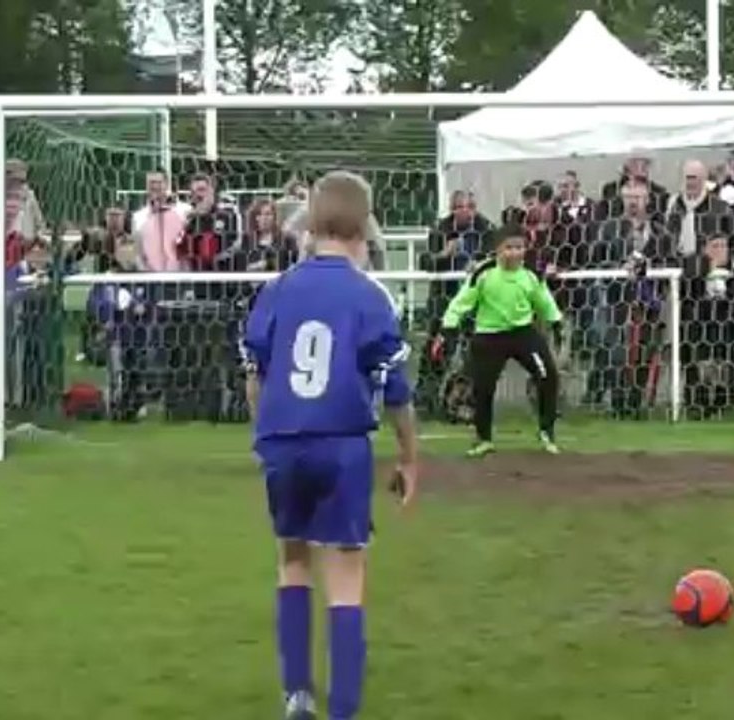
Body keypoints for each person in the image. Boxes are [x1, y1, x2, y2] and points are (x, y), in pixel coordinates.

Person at [241, 171, 419, 720]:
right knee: (346, 576)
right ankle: (342, 709)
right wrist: (409, 457)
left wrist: (263, 435)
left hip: (283, 441)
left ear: (311, 223)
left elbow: (254, 374)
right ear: (364, 227)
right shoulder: (369, 295)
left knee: (292, 561)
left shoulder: (277, 289)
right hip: (342, 443)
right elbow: (395, 388)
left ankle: (297, 694)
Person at [431, 225, 563, 458]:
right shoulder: (484, 273)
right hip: (489, 335)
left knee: (547, 376)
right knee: (483, 387)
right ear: (498, 250)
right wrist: (448, 327)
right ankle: (484, 439)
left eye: (519, 247)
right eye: (509, 248)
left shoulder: (531, 274)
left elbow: (543, 299)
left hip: (522, 332)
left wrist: (556, 322)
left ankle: (546, 432)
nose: (515, 253)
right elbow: (462, 302)